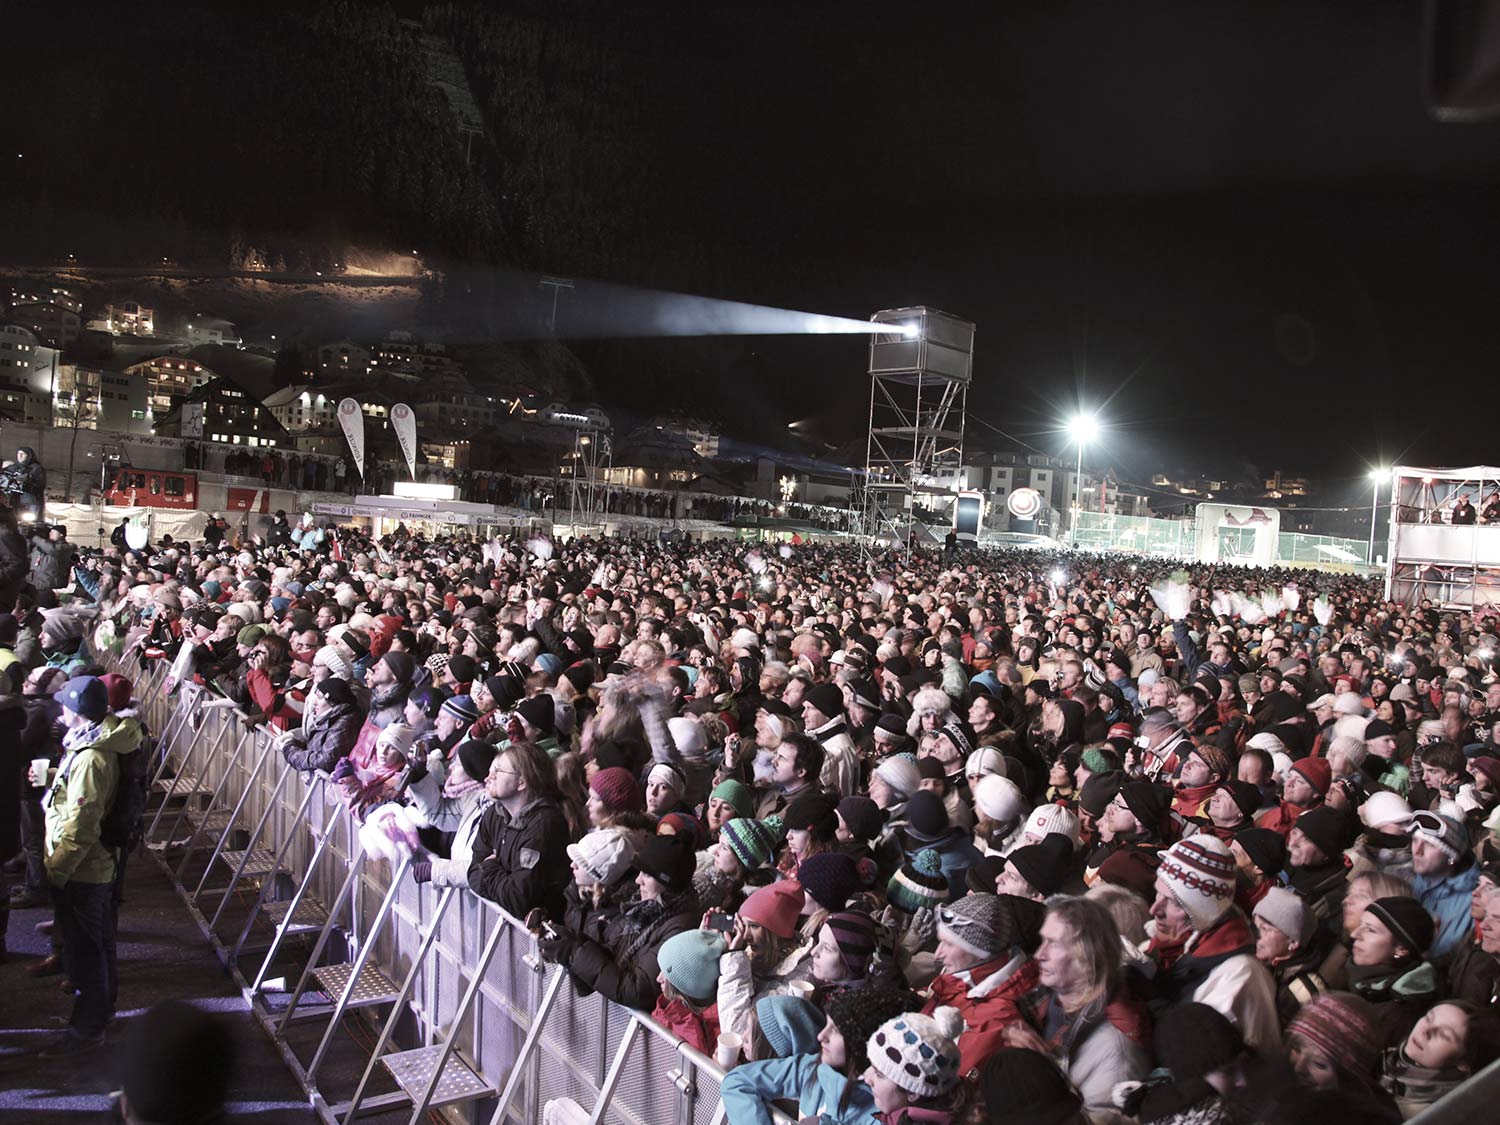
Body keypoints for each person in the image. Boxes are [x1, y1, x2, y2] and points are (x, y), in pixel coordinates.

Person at [40, 674, 142, 1055]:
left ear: (77, 712)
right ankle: (100, 1016)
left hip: (84, 869)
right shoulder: (93, 745)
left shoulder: (91, 758)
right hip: (95, 865)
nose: (60, 709)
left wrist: (57, 870)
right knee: (97, 946)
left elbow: (83, 825)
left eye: (65, 704)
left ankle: (87, 1031)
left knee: (85, 955)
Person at [1142, 835, 1281, 1052]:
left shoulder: (1240, 977)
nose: (1154, 911)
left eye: (1172, 902)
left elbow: (1198, 1056)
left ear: (1201, 912)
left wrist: (1149, 996)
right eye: (1157, 895)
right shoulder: (1171, 945)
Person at [1014, 895, 1151, 1110]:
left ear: (1088, 957)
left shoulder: (1116, 1052)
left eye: (1054, 944)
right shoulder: (1041, 1000)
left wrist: (1042, 1069)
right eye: (1043, 941)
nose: (1039, 954)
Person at [923, 892, 1045, 1077]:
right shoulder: (960, 980)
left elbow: (947, 1083)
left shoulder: (997, 1020)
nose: (938, 954)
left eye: (948, 944)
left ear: (980, 952)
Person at [466, 741, 571, 920]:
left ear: (521, 782)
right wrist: (499, 876)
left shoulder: (544, 826)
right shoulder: (495, 813)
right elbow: (473, 871)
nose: (490, 776)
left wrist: (490, 867)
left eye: (498, 771)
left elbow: (518, 899)